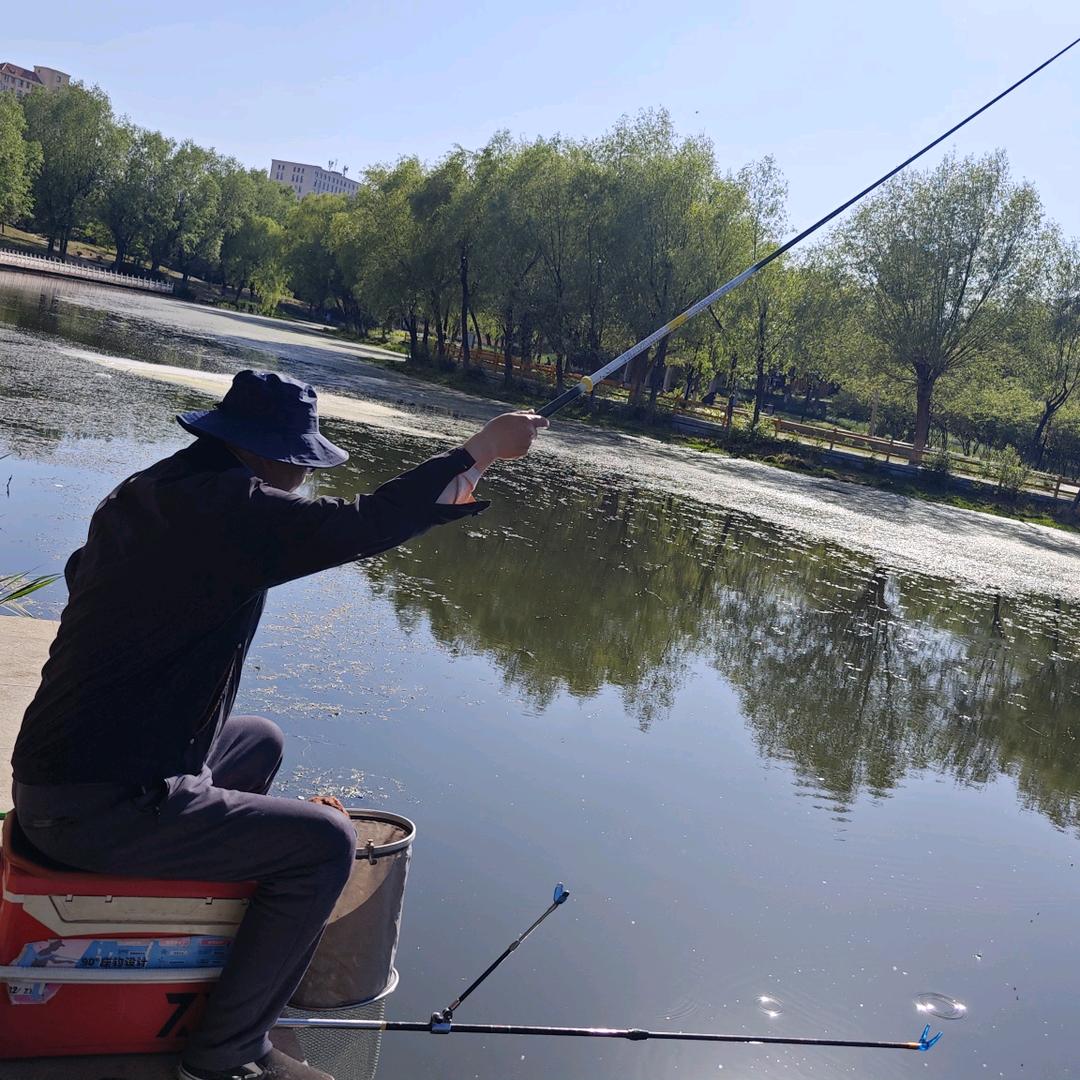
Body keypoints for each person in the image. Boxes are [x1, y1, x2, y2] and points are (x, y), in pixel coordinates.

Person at [10, 369, 549, 1080]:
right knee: (324, 844)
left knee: (258, 739)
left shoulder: (152, 490)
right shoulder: (232, 512)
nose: (302, 478)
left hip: (58, 780)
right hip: (99, 807)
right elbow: (363, 523)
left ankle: (217, 947)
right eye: (299, 462)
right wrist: (478, 452)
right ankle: (227, 1051)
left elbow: (87, 576)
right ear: (268, 455)